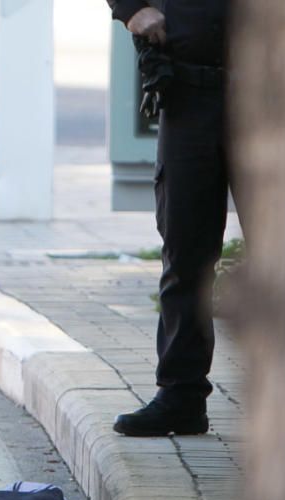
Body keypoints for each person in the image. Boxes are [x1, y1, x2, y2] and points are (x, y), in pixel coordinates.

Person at [107, 0, 237, 436]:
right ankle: (181, 396)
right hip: (187, 97)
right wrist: (130, 9)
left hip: (275, 100)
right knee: (185, 255)